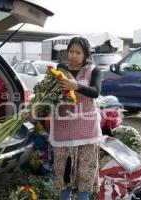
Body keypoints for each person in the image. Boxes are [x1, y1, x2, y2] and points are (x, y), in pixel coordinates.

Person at [49, 37, 102, 200]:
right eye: (71, 51)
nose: (73, 55)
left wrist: (76, 86)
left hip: (86, 131)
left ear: (85, 54)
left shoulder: (94, 71)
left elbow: (95, 91)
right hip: (63, 130)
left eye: (78, 52)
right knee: (65, 172)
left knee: (85, 172)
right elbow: (49, 94)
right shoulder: (59, 71)